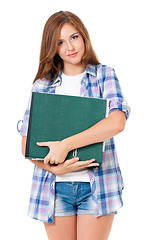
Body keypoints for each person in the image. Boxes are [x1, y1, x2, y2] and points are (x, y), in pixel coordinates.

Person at [19, 11, 131, 240]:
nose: (70, 46)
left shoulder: (104, 75)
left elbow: (117, 122)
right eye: (60, 42)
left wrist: (65, 145)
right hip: (54, 188)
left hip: (97, 186)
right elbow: (26, 146)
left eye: (74, 37)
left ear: (84, 37)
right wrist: (55, 168)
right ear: (52, 47)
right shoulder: (43, 85)